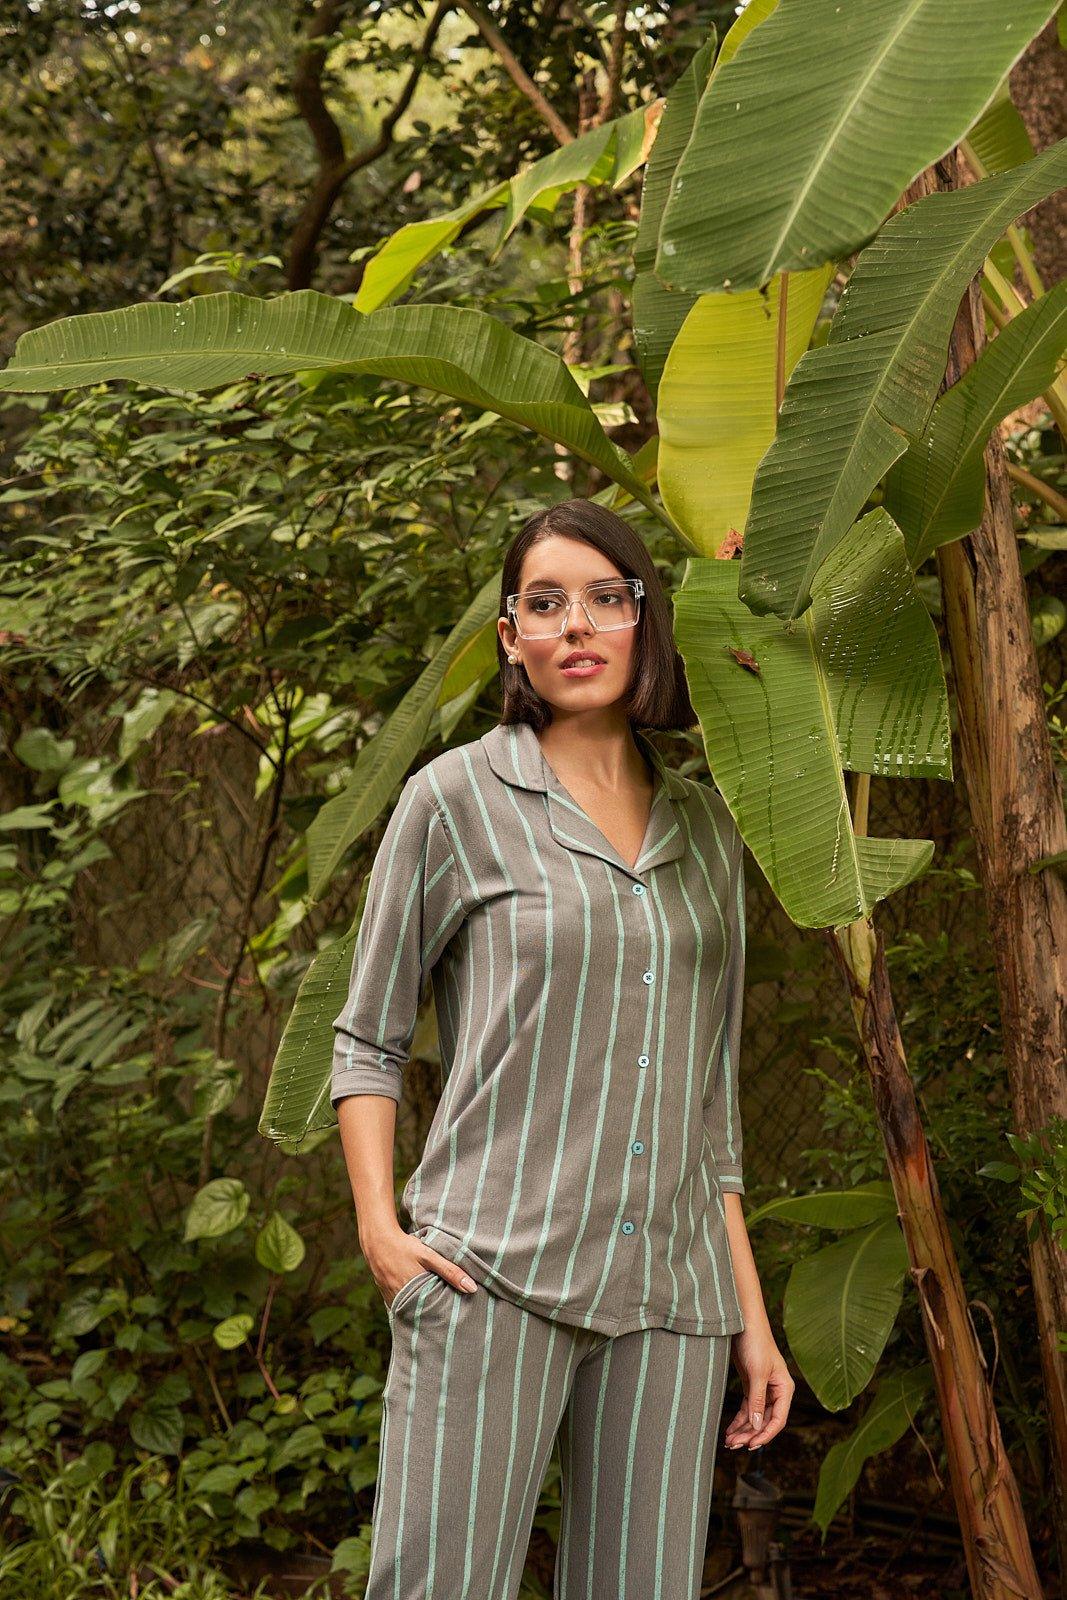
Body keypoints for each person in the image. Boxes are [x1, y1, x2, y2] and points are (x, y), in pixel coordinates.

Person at [331, 497, 793, 1598]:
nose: (575, 627)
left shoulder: (707, 832)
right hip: (490, 1275)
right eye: (544, 603)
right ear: (510, 638)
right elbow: (366, 1037)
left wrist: (751, 1321)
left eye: (603, 598)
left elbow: (706, 1103)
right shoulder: (451, 800)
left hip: (671, 1299)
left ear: (644, 621)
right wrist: (382, 1236)